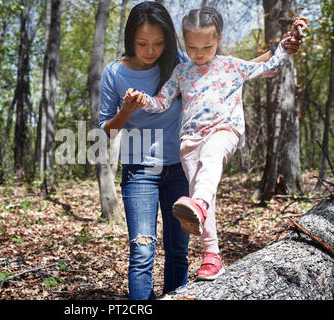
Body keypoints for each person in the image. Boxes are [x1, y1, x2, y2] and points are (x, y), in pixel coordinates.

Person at [99, 1, 305, 300]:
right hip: (142, 167)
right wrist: (131, 107)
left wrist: (282, 49)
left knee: (178, 251)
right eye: (142, 43)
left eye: (158, 43)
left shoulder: (182, 60)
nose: (150, 51)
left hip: (184, 163)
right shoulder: (123, 72)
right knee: (142, 250)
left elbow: (232, 69)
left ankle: (188, 281)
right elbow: (114, 125)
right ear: (130, 38)